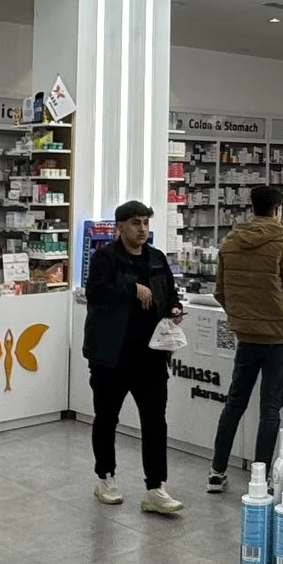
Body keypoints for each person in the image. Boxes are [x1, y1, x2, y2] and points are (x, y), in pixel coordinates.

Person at [208, 183, 283, 493]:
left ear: (252, 208)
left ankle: (216, 472)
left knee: (234, 403)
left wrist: (242, 318)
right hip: (279, 338)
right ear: (278, 210)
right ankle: (261, 478)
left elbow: (220, 291)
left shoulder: (231, 240)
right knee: (270, 409)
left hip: (247, 337)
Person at [81, 200, 184, 514]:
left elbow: (170, 292)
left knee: (155, 421)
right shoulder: (105, 258)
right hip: (111, 355)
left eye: (146, 223)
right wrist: (131, 289)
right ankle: (105, 478)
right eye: (136, 223)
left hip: (151, 355)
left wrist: (174, 309)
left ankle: (155, 488)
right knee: (106, 418)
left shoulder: (157, 258)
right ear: (120, 227)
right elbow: (95, 293)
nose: (142, 229)